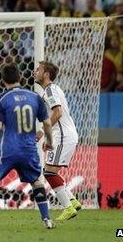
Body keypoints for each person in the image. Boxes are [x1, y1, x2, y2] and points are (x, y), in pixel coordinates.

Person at [0, 64, 54, 230]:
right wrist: (49, 141)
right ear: (20, 78)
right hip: (28, 149)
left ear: (3, 80)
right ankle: (47, 219)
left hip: (8, 149)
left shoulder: (1, 99)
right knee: (37, 182)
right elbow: (47, 123)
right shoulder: (35, 97)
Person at [34, 61, 82, 220]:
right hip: (63, 134)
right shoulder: (53, 89)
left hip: (62, 135)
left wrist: (43, 133)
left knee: (48, 172)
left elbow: (58, 113)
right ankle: (72, 201)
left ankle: (68, 208)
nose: (35, 72)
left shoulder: (49, 91)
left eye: (39, 69)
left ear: (46, 74)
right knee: (49, 171)